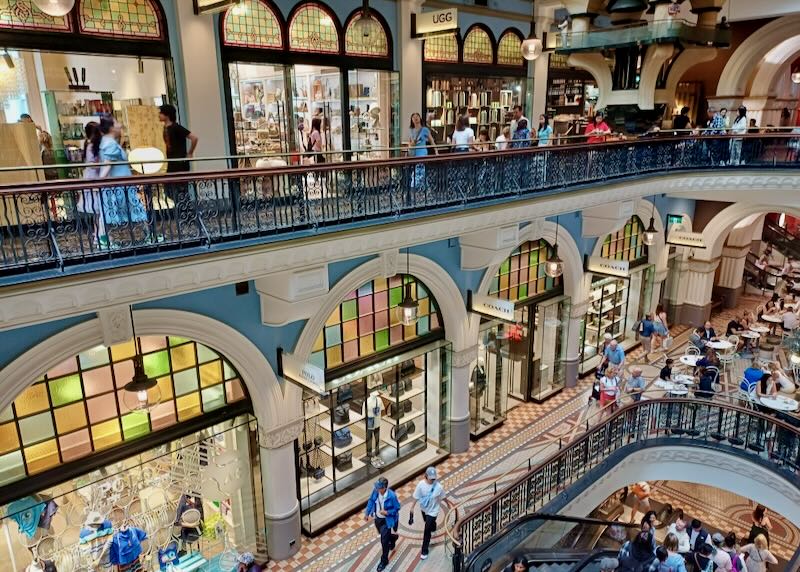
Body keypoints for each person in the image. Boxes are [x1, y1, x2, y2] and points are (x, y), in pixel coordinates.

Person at [97, 115, 148, 233]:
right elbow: (107, 164)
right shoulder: (110, 144)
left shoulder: (108, 141)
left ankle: (106, 239)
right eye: (116, 123)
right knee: (135, 209)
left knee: (115, 210)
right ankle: (148, 235)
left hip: (120, 184)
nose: (119, 125)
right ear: (111, 128)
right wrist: (99, 180)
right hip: (119, 185)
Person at [77, 121, 107, 248]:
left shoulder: (88, 144)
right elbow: (93, 164)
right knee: (99, 210)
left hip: (91, 178)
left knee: (98, 211)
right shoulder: (91, 146)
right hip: (94, 179)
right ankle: (99, 235)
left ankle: (97, 235)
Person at [364, 478, 401, 572]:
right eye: (377, 487)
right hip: (377, 519)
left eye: (379, 487)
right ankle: (393, 537)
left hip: (386, 521)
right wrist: (367, 513)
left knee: (384, 542)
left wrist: (387, 512)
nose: (377, 489)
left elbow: (397, 508)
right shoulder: (375, 491)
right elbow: (371, 501)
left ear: (384, 488)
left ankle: (384, 561)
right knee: (384, 535)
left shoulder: (391, 496)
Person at [409, 466, 445, 560]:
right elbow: (416, 496)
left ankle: (424, 551)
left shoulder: (439, 487)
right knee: (428, 523)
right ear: (425, 476)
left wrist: (451, 507)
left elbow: (443, 497)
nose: (432, 480)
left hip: (433, 511)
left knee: (427, 530)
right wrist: (412, 508)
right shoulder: (421, 485)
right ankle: (433, 525)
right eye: (430, 478)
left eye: (434, 478)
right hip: (424, 509)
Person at [159, 104, 198, 173]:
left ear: (167, 114)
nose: (159, 115)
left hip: (180, 162)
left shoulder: (176, 127)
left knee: (178, 182)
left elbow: (194, 138)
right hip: (171, 161)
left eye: (161, 113)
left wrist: (190, 153)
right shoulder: (166, 128)